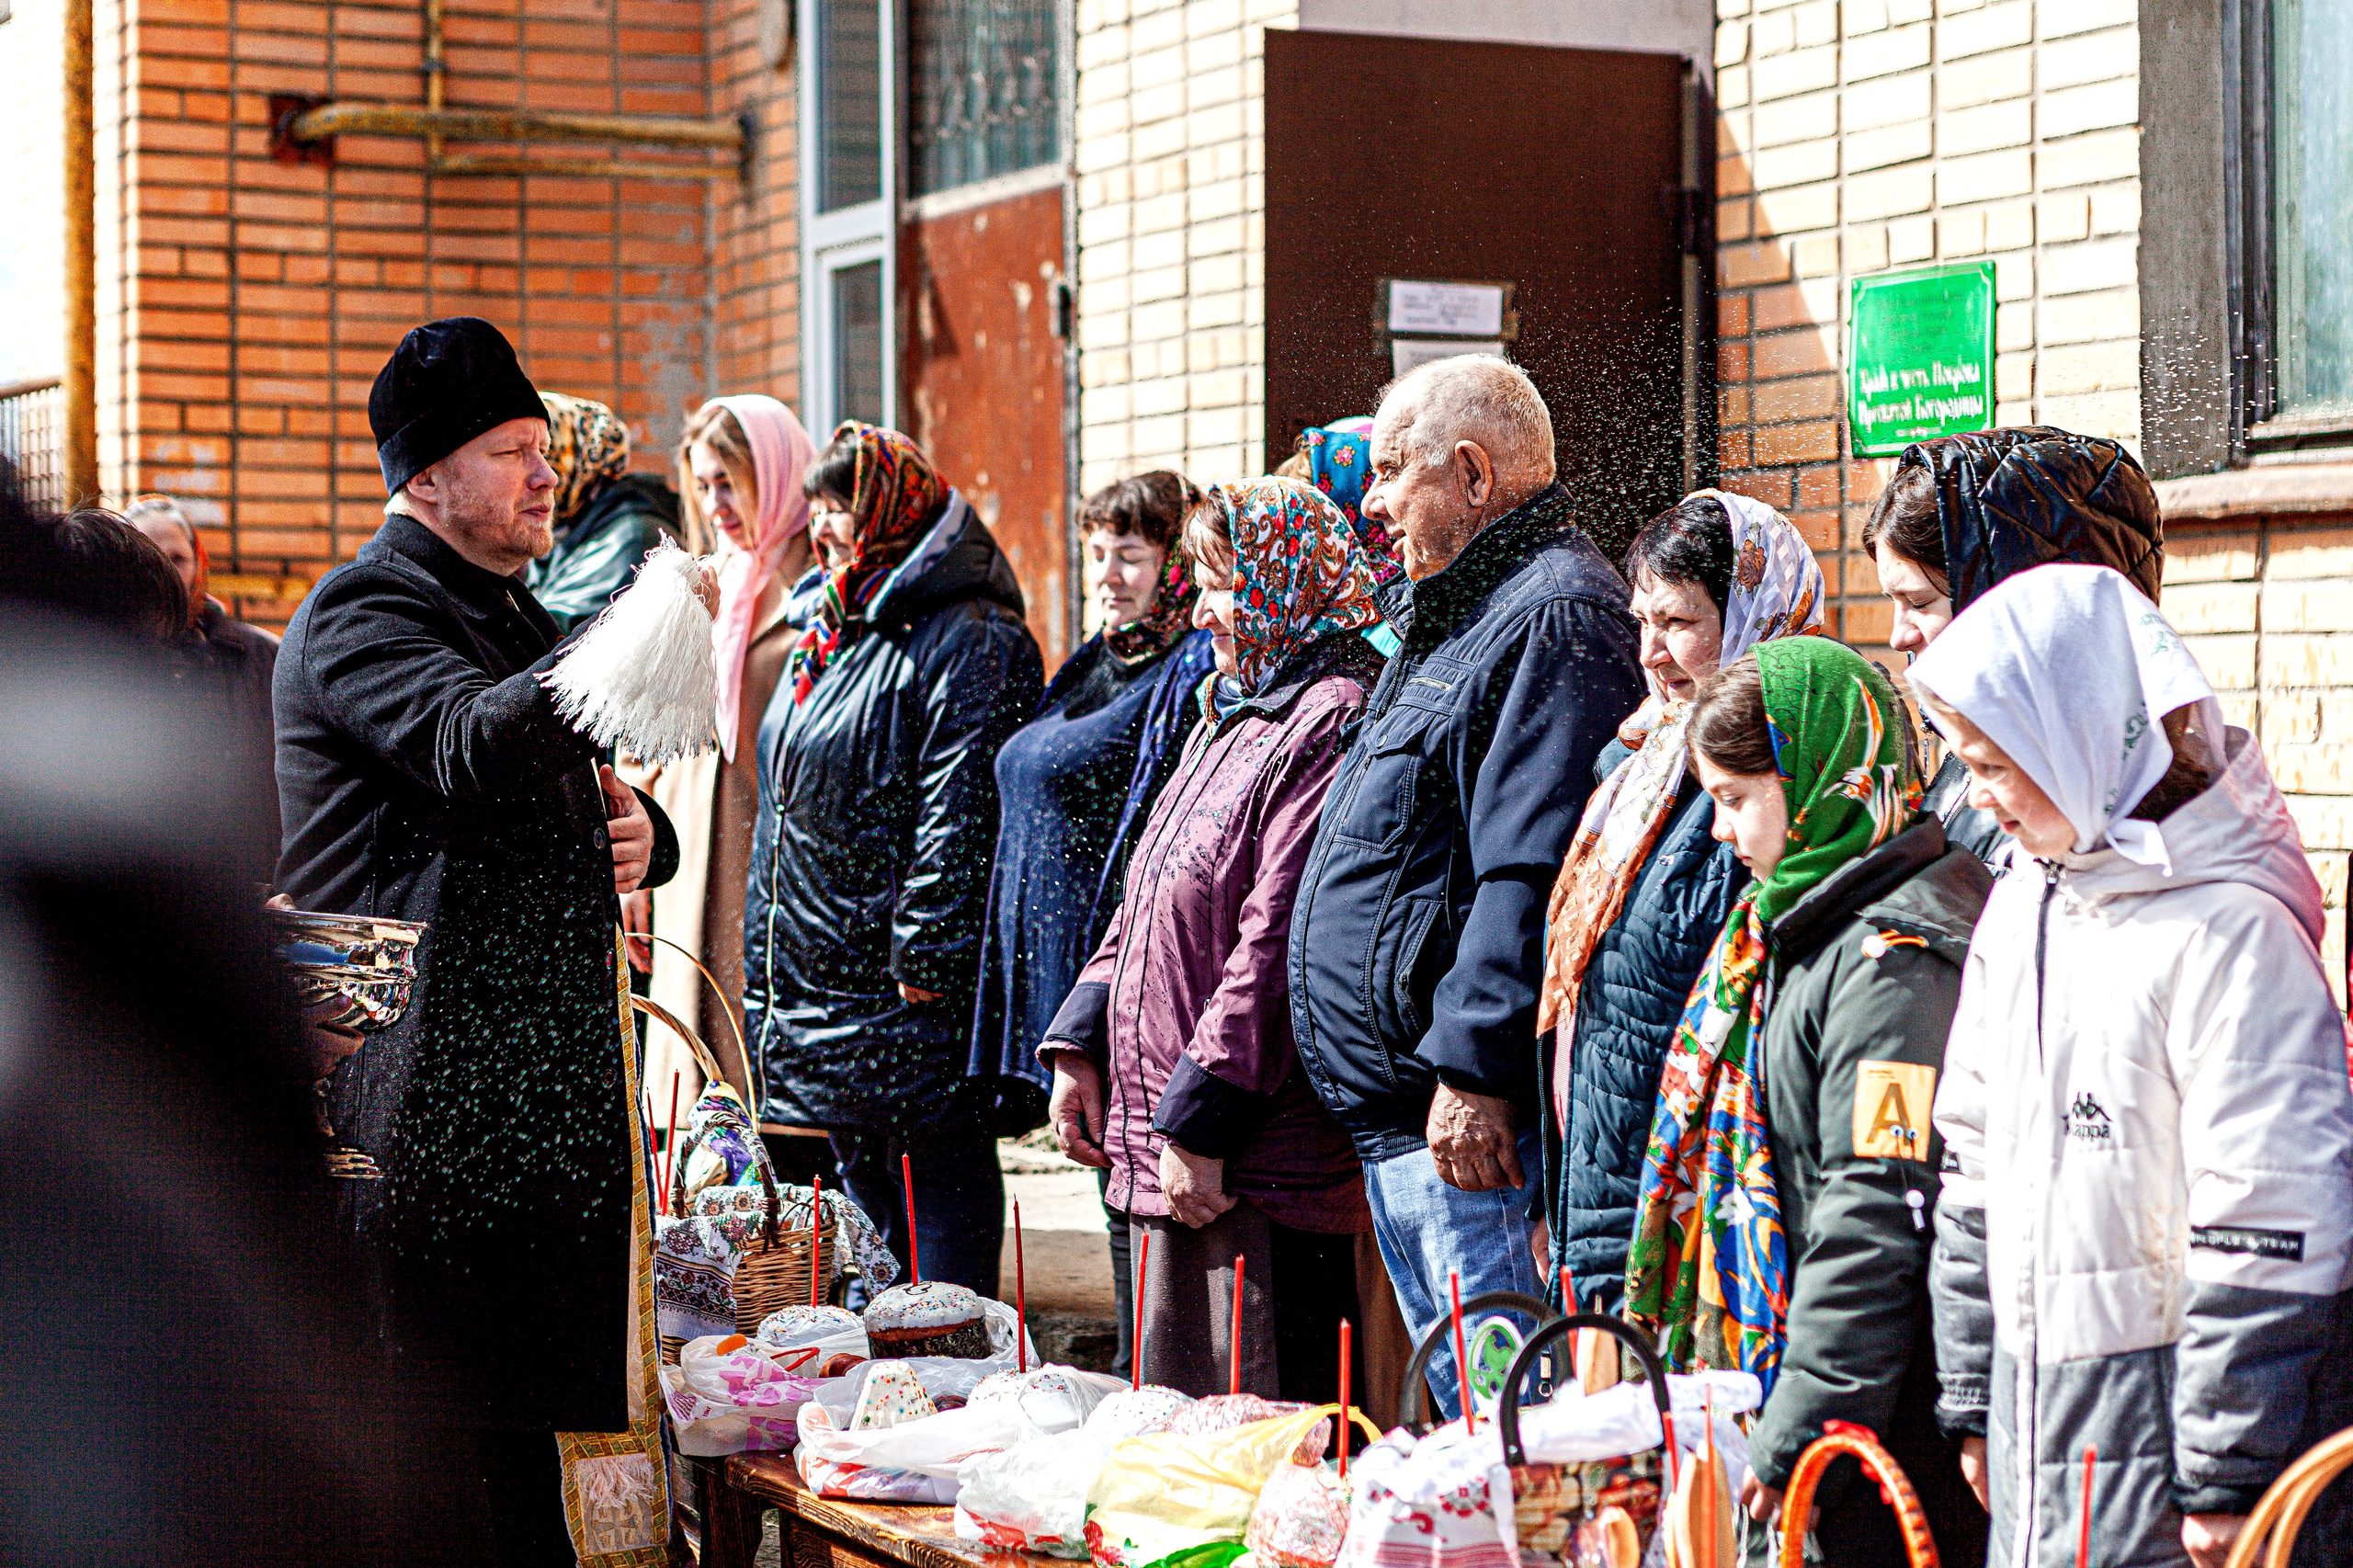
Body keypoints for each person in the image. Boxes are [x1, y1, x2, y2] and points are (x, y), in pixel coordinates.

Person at [273, 316, 701, 1564]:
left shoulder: (509, 608)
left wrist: (644, 832)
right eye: (512, 449)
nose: (544, 472)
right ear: (425, 477)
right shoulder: (362, 610)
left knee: (541, 1468)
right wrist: (640, 624)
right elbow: (475, 743)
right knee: (445, 1473)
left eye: (542, 447)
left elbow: (564, 780)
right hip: (419, 1140)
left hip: (533, 1127)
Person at [1913, 564, 2353, 1568]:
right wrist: (1976, 1390)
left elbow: (2269, 1212)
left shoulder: (2229, 931)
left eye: (1996, 763)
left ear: (2078, 736)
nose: (1980, 797)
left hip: (2168, 1449)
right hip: (2042, 1429)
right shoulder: (2028, 898)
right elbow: (1972, 1154)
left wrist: (2227, 1468)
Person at [1288, 355, 1645, 1417]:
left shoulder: (1554, 613)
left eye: (1395, 467)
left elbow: (1525, 867)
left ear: (1475, 475)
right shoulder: (1458, 605)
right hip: (1407, 1112)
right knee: (1473, 1417)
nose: (1372, 496)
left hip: (1459, 1122)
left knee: (1517, 1426)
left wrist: (1474, 1067)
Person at [1629, 641, 1990, 1564]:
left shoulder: (1893, 965)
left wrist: (1796, 1426)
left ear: (1824, 774)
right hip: (1838, 1400)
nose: (1719, 830)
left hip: (1880, 1429)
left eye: (1736, 798)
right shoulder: (1804, 921)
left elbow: (1872, 1209)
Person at [1042, 477, 1387, 1401]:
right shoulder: (1233, 706)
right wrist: (1082, 1039)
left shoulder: (1329, 716)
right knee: (1179, 1436)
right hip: (1173, 1127)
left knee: (1263, 1427)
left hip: (1251, 1160)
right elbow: (1146, 890)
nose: (1199, 610)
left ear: (1285, 583)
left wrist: (1201, 1119)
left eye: (1220, 583)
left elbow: (1274, 942)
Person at [742, 421, 1044, 1300]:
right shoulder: (832, 624)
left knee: (936, 1190)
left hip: (898, 979)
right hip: (823, 965)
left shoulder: (971, 635)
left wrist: (928, 955)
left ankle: (958, 1379)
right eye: (819, 508)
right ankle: (892, 1398)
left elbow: (959, 808)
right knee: (868, 1213)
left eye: (843, 507)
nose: (826, 527)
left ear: (894, 511)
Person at [1533, 491, 1824, 1312]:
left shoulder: (1776, 790)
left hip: (1699, 1209)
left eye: (1681, 623)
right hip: (1604, 1187)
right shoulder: (1631, 768)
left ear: (1755, 615)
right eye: (1642, 621)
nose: (1652, 653)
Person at [971, 471, 1214, 1376]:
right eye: (1097, 549)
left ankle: (1148, 1380)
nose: (1108, 571)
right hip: (1066, 969)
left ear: (1173, 561)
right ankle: (1136, 1372)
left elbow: (1155, 819)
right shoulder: (1093, 658)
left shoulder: (1186, 665)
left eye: (1132, 552)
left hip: (1116, 972)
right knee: (1103, 1164)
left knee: (1128, 1177)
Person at [622, 396, 819, 1149]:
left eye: (733, 482)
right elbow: (637, 727)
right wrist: (640, 872)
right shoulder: (698, 584)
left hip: (768, 859)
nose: (718, 505)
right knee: (688, 1098)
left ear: (777, 473)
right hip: (685, 858)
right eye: (704, 486)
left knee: (772, 1104)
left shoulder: (820, 585)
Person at [1865, 426, 2161, 865]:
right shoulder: (1975, 774)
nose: (1898, 636)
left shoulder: (2073, 811)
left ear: (2006, 595)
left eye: (1920, 602)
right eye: (1893, 601)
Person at [123, 492, 284, 884]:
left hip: (253, 881)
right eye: (148, 560)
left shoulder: (261, 656)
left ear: (199, 564)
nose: (164, 573)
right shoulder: (103, 659)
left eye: (176, 559)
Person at [521, 392, 681, 634]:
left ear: (576, 458)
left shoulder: (632, 538)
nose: (540, 476)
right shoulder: (571, 528)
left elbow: (554, 637)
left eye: (546, 454)